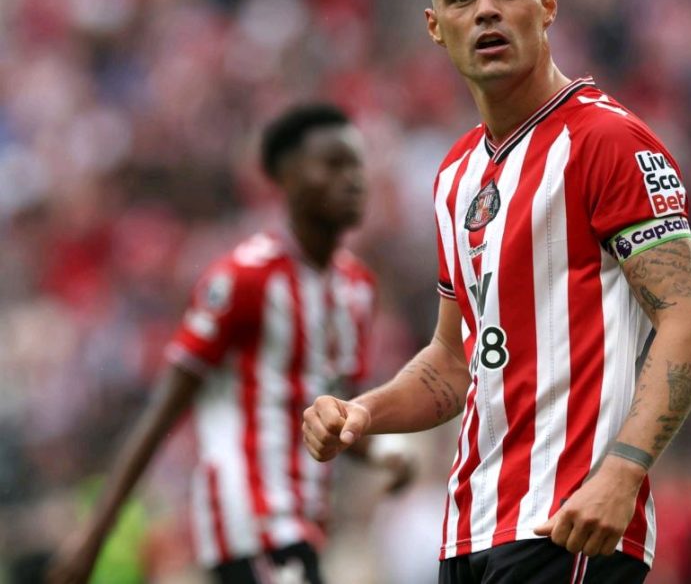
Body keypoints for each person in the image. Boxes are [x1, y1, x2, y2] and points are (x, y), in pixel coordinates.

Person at [302, 0, 691, 583]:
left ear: (546, 6)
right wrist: (364, 412)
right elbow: (453, 361)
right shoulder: (456, 175)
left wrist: (623, 471)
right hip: (469, 529)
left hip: (566, 520)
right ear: (436, 26)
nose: (486, 10)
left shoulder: (607, 142)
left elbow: (688, 325)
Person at [47, 104, 415, 584]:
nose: (353, 181)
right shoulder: (244, 279)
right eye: (333, 165)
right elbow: (165, 409)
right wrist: (95, 535)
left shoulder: (356, 289)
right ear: (286, 180)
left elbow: (333, 413)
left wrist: (386, 453)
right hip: (250, 518)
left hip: (304, 517)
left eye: (356, 166)